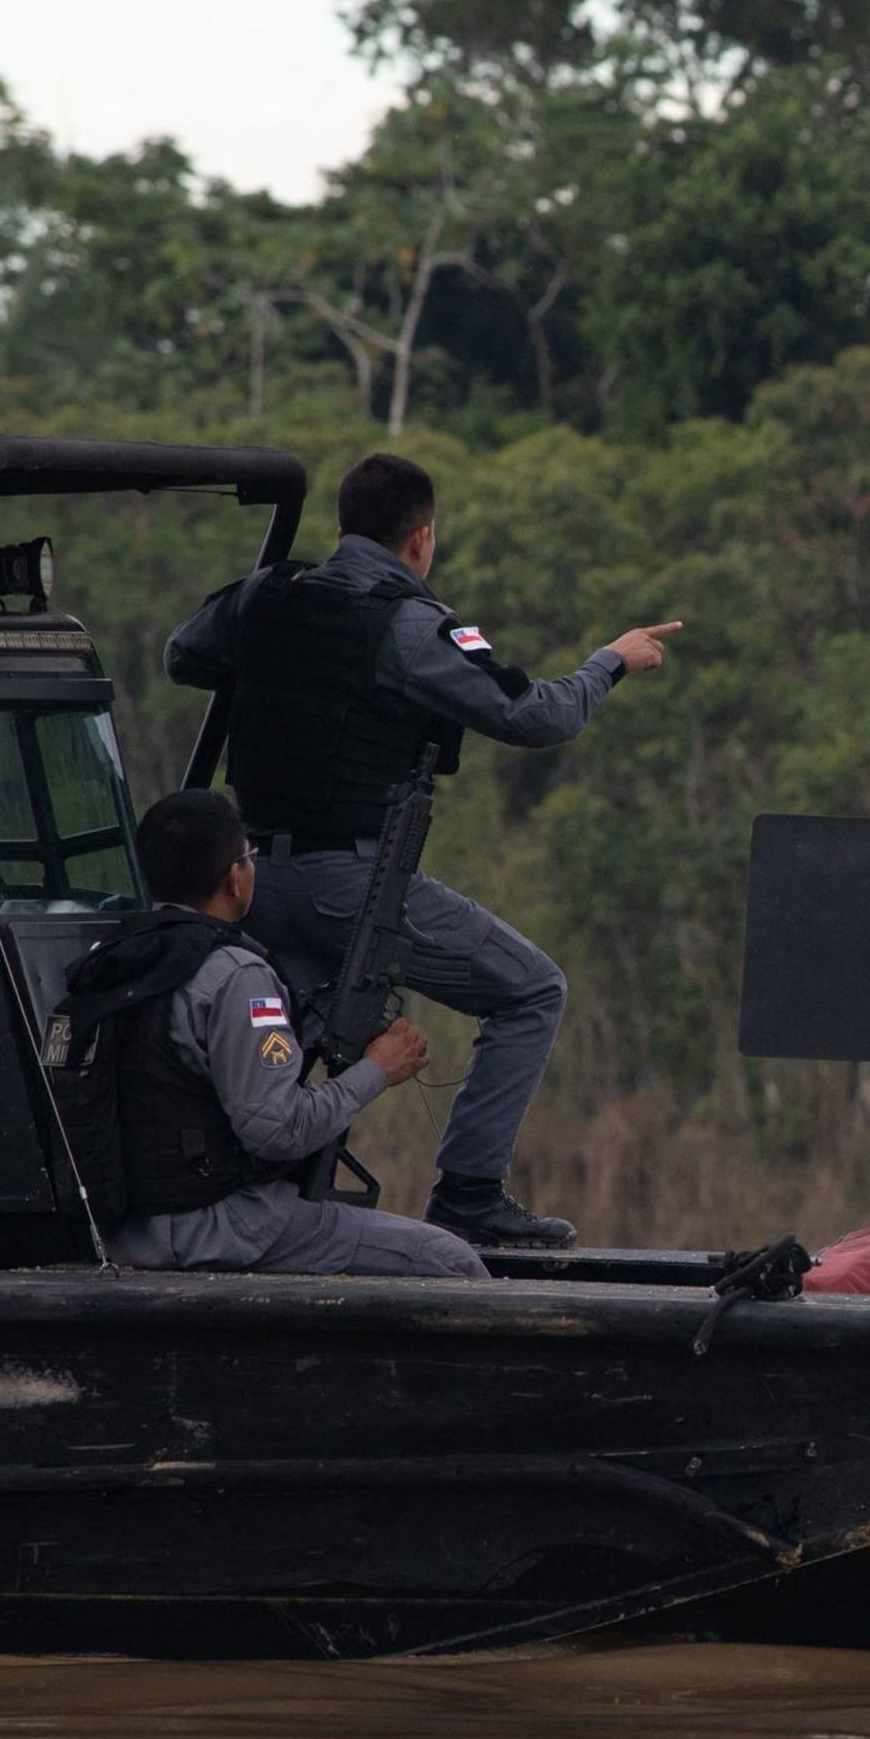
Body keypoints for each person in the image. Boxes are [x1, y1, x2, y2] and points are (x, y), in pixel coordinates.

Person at [167, 453, 680, 1247]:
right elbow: (536, 717)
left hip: (253, 881)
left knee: (290, 1045)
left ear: (339, 529)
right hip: (352, 887)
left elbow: (183, 655)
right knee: (532, 991)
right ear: (422, 540)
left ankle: (221, 1193)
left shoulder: (266, 595)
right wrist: (610, 662)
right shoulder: (409, 624)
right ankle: (470, 1195)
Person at [58, 790, 487, 1278]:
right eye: (248, 857)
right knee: (454, 1263)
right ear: (235, 878)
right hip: (221, 1229)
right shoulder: (236, 976)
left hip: (127, 1232)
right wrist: (378, 1070)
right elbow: (277, 1131)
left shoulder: (113, 958)